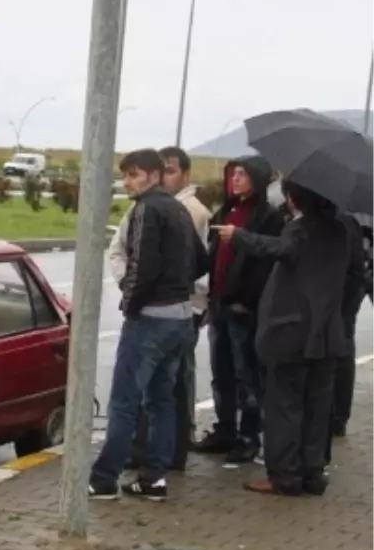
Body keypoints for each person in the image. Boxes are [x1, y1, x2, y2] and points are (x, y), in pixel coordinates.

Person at [214, 182, 363, 495]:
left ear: (295, 198)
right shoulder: (343, 229)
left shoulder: (301, 229)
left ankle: (285, 476)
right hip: (328, 334)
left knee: (284, 406)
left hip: (291, 332)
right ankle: (312, 473)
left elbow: (279, 249)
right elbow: (355, 277)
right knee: (317, 407)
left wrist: (238, 236)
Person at [89, 149, 206, 501]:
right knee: (162, 400)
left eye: (135, 175)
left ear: (155, 175)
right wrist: (177, 285)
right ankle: (155, 478)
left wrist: (130, 302)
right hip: (181, 317)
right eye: (125, 175)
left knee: (125, 402)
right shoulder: (179, 210)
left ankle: (104, 479)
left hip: (151, 319)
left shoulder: (145, 210)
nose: (128, 182)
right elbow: (202, 260)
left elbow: (142, 267)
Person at [194, 157, 286, 466]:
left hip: (243, 308)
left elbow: (267, 261)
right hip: (218, 303)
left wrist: (246, 300)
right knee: (221, 373)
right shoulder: (226, 210)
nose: (236, 179)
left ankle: (249, 436)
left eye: (243, 174)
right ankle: (225, 430)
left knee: (247, 375)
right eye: (233, 173)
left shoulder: (268, 217)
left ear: (258, 179)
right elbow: (213, 254)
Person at [332, 212, 374, 439]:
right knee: (343, 339)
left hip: (356, 270)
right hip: (358, 268)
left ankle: (338, 416)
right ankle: (338, 415)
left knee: (342, 340)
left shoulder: (345, 197)